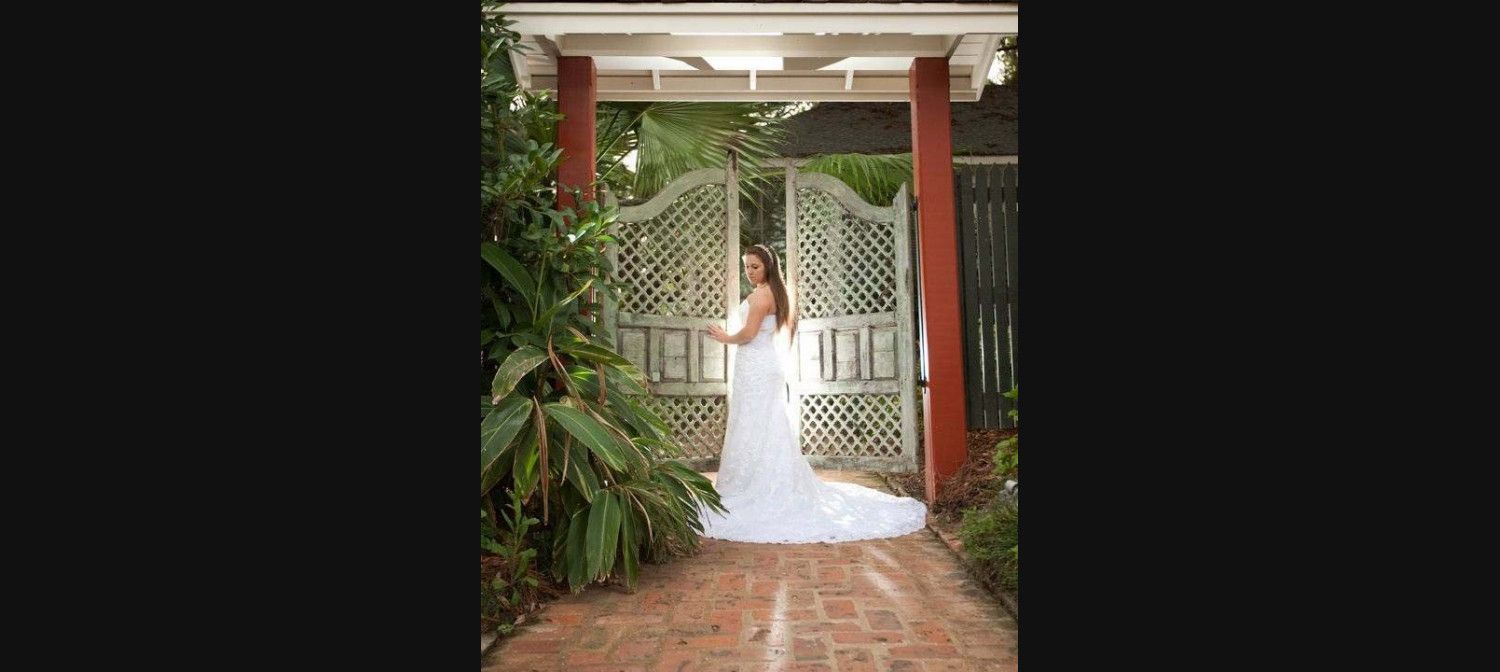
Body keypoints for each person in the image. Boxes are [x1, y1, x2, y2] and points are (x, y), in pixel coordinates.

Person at [701, 243, 926, 543]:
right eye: (746, 267)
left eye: (755, 266)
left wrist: (723, 336)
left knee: (754, 423)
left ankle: (751, 486)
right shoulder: (777, 294)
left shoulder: (760, 296)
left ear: (768, 266)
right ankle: (762, 479)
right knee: (764, 424)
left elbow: (749, 334)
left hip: (756, 365)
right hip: (763, 365)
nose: (749, 272)